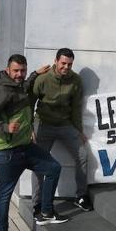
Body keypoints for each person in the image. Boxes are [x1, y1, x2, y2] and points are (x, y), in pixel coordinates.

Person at [0, 54, 68, 231]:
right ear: (8, 70)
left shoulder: (18, 86)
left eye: (23, 70)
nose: (20, 74)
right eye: (16, 71)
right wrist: (4, 128)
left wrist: (36, 73)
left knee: (53, 168)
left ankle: (45, 212)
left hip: (25, 147)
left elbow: (25, 87)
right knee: (5, 194)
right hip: (6, 152)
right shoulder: (1, 92)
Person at [31, 48, 93, 215]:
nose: (66, 67)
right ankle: (37, 203)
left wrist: (78, 130)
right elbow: (29, 103)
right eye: (63, 63)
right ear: (56, 61)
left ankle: (81, 196)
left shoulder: (76, 80)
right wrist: (29, 128)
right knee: (38, 163)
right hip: (44, 124)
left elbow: (75, 108)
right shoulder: (42, 79)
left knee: (82, 155)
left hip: (66, 125)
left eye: (70, 64)